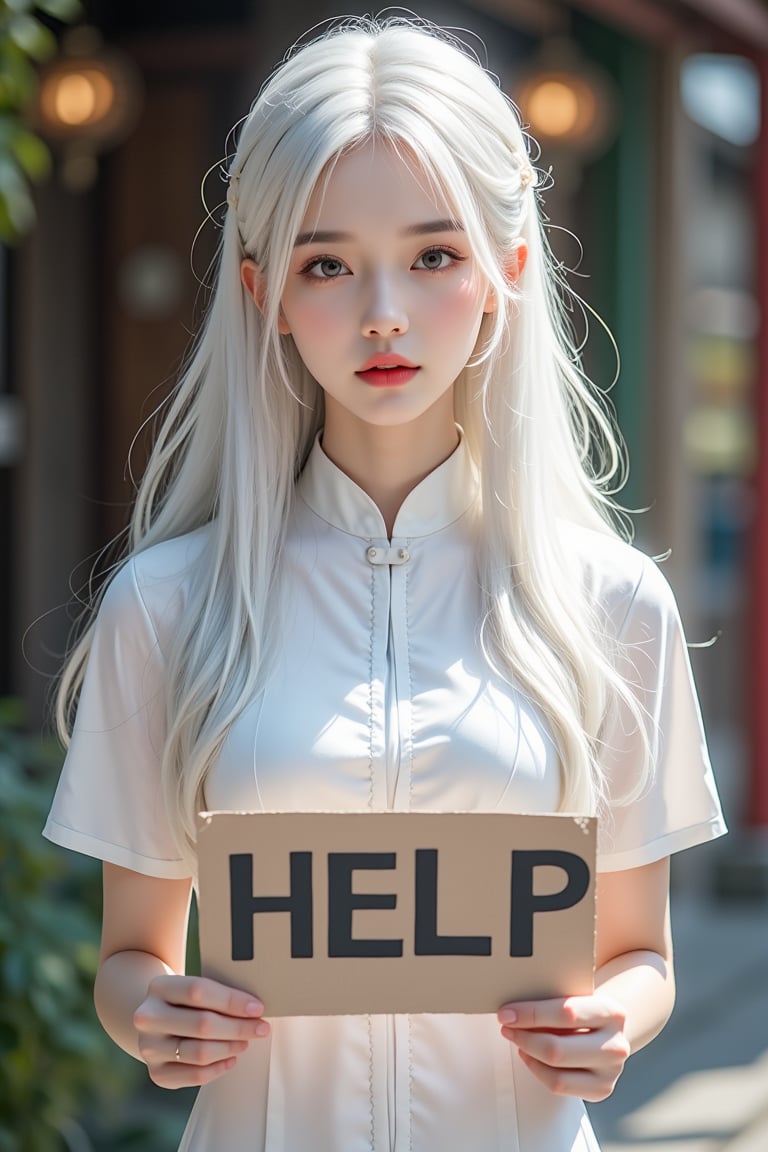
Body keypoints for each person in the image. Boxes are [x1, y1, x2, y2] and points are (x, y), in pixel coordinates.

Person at [43, 14, 727, 1152]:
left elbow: (639, 954)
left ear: (509, 269)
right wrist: (152, 1015)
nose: (384, 315)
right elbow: (132, 959)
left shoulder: (610, 604)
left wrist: (615, 1022)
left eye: (434, 254)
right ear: (263, 292)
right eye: (327, 264)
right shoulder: (165, 607)